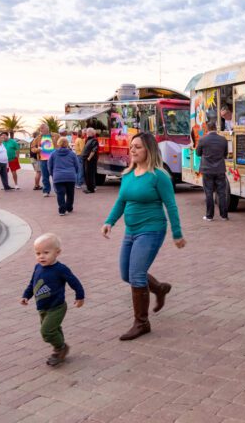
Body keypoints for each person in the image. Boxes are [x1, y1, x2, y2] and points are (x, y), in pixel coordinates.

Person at [102, 132, 186, 340]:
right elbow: (122, 201)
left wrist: (177, 234)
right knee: (126, 274)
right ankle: (158, 288)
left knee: (136, 275)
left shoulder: (159, 176)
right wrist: (109, 222)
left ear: (149, 150)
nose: (132, 150)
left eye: (137, 147)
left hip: (152, 229)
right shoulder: (128, 174)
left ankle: (142, 323)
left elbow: (171, 206)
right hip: (131, 231)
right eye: (131, 147)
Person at [21, 233, 84, 367]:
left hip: (57, 307)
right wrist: (26, 295)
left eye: (46, 252)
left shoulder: (60, 269)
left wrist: (80, 296)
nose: (41, 256)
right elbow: (33, 283)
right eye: (37, 253)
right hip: (42, 308)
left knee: (47, 332)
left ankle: (60, 348)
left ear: (57, 252)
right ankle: (61, 347)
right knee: (54, 329)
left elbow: (75, 283)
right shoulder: (38, 267)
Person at [196, 120, 228, 221]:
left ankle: (209, 216)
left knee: (208, 193)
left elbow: (198, 153)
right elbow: (225, 154)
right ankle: (224, 215)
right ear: (216, 128)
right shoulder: (223, 140)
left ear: (207, 129)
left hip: (207, 170)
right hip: (220, 169)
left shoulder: (202, 140)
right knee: (222, 193)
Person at [48, 137, 81, 216]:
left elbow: (49, 165)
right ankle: (69, 207)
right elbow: (77, 165)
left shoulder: (53, 154)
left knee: (60, 193)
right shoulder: (72, 154)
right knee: (70, 193)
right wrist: (75, 172)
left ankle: (62, 210)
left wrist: (52, 173)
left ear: (58, 143)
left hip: (58, 176)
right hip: (70, 176)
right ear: (67, 144)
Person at [37, 124, 60, 197]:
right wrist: (37, 149)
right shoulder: (39, 137)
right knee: (45, 176)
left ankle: (57, 190)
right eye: (40, 129)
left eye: (42, 129)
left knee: (55, 175)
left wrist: (58, 150)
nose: (41, 130)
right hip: (43, 159)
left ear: (47, 129)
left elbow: (61, 144)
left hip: (54, 159)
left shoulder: (56, 135)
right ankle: (46, 191)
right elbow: (32, 147)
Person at [81, 128, 99, 193]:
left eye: (87, 132)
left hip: (90, 160)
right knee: (86, 174)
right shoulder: (88, 140)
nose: (86, 133)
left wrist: (89, 158)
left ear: (91, 133)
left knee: (89, 174)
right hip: (86, 159)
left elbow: (94, 150)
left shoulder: (94, 140)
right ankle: (88, 188)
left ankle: (91, 189)